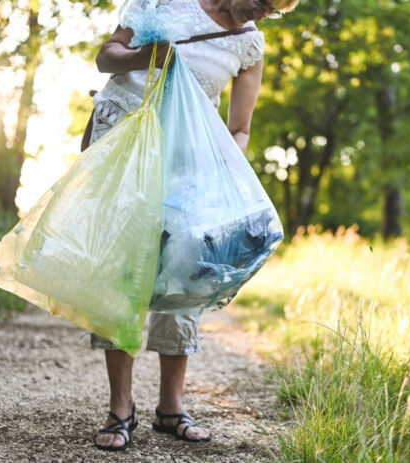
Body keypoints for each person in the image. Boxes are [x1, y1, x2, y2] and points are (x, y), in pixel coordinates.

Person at [86, 0, 299, 451]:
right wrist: (148, 56)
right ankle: (120, 408)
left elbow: (239, 127)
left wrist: (223, 174)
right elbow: (106, 56)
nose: (262, 15)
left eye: (274, 11)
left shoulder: (249, 44)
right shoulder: (161, 3)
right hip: (124, 152)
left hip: (190, 171)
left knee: (187, 272)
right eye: (261, 3)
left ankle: (170, 407)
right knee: (125, 275)